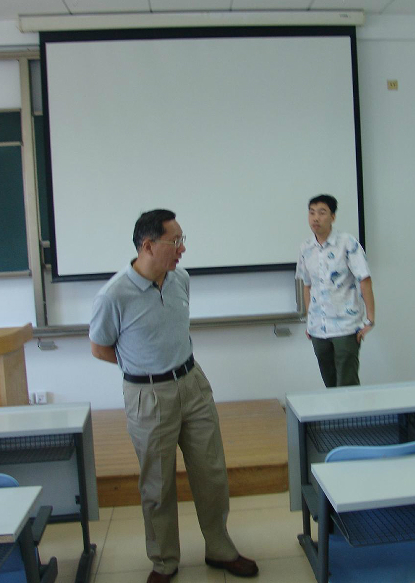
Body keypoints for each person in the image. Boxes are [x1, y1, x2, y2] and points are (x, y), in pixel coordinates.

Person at [89, 209, 258, 583]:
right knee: (158, 484)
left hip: (192, 382)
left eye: (182, 240)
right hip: (148, 395)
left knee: (212, 473)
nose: (182, 248)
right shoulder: (113, 295)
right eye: (175, 241)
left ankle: (220, 548)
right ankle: (164, 561)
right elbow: (99, 348)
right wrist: (142, 365)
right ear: (148, 246)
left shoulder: (181, 278)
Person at [296, 194, 375, 387]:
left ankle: (351, 409)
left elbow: (364, 280)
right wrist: (309, 319)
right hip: (318, 328)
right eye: (312, 213)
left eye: (322, 213)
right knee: (329, 383)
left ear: (333, 217)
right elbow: (307, 285)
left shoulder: (347, 243)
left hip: (346, 326)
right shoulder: (306, 248)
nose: (316, 218)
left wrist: (370, 320)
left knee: (347, 383)